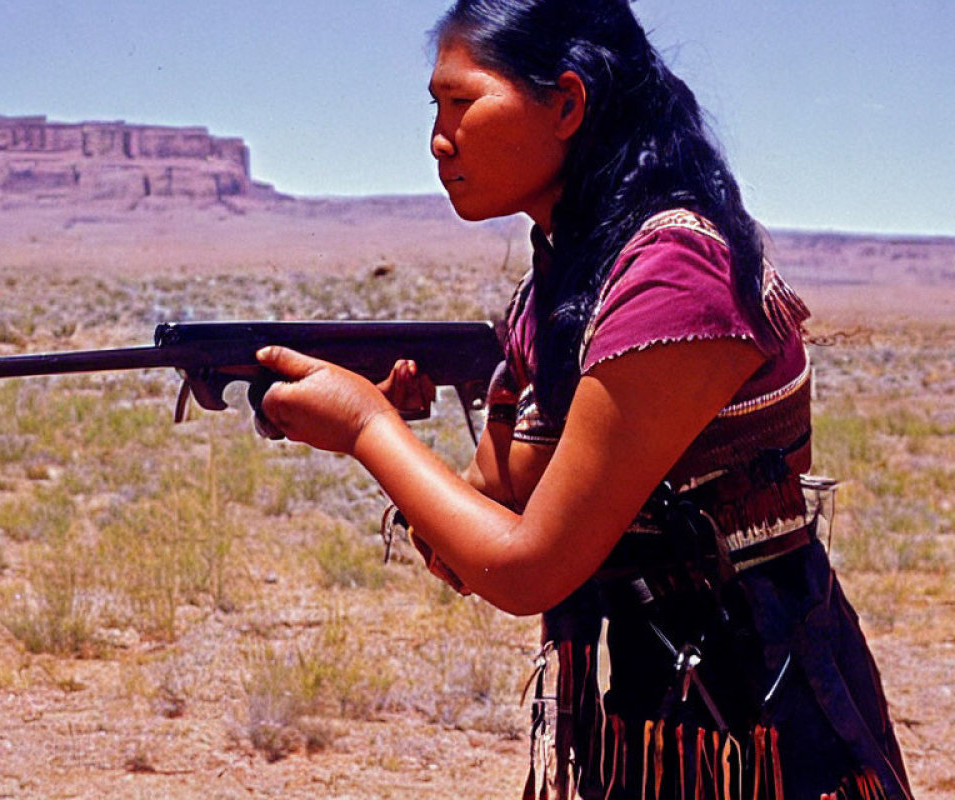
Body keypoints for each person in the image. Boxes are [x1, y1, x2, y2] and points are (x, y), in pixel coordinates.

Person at [251, 1, 912, 798]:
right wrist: (383, 430)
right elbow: (482, 528)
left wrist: (367, 427)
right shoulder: (560, 287)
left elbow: (528, 569)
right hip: (660, 710)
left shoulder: (675, 272)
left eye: (463, 103)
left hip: (765, 724)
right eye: (435, 107)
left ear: (567, 103)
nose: (438, 138)